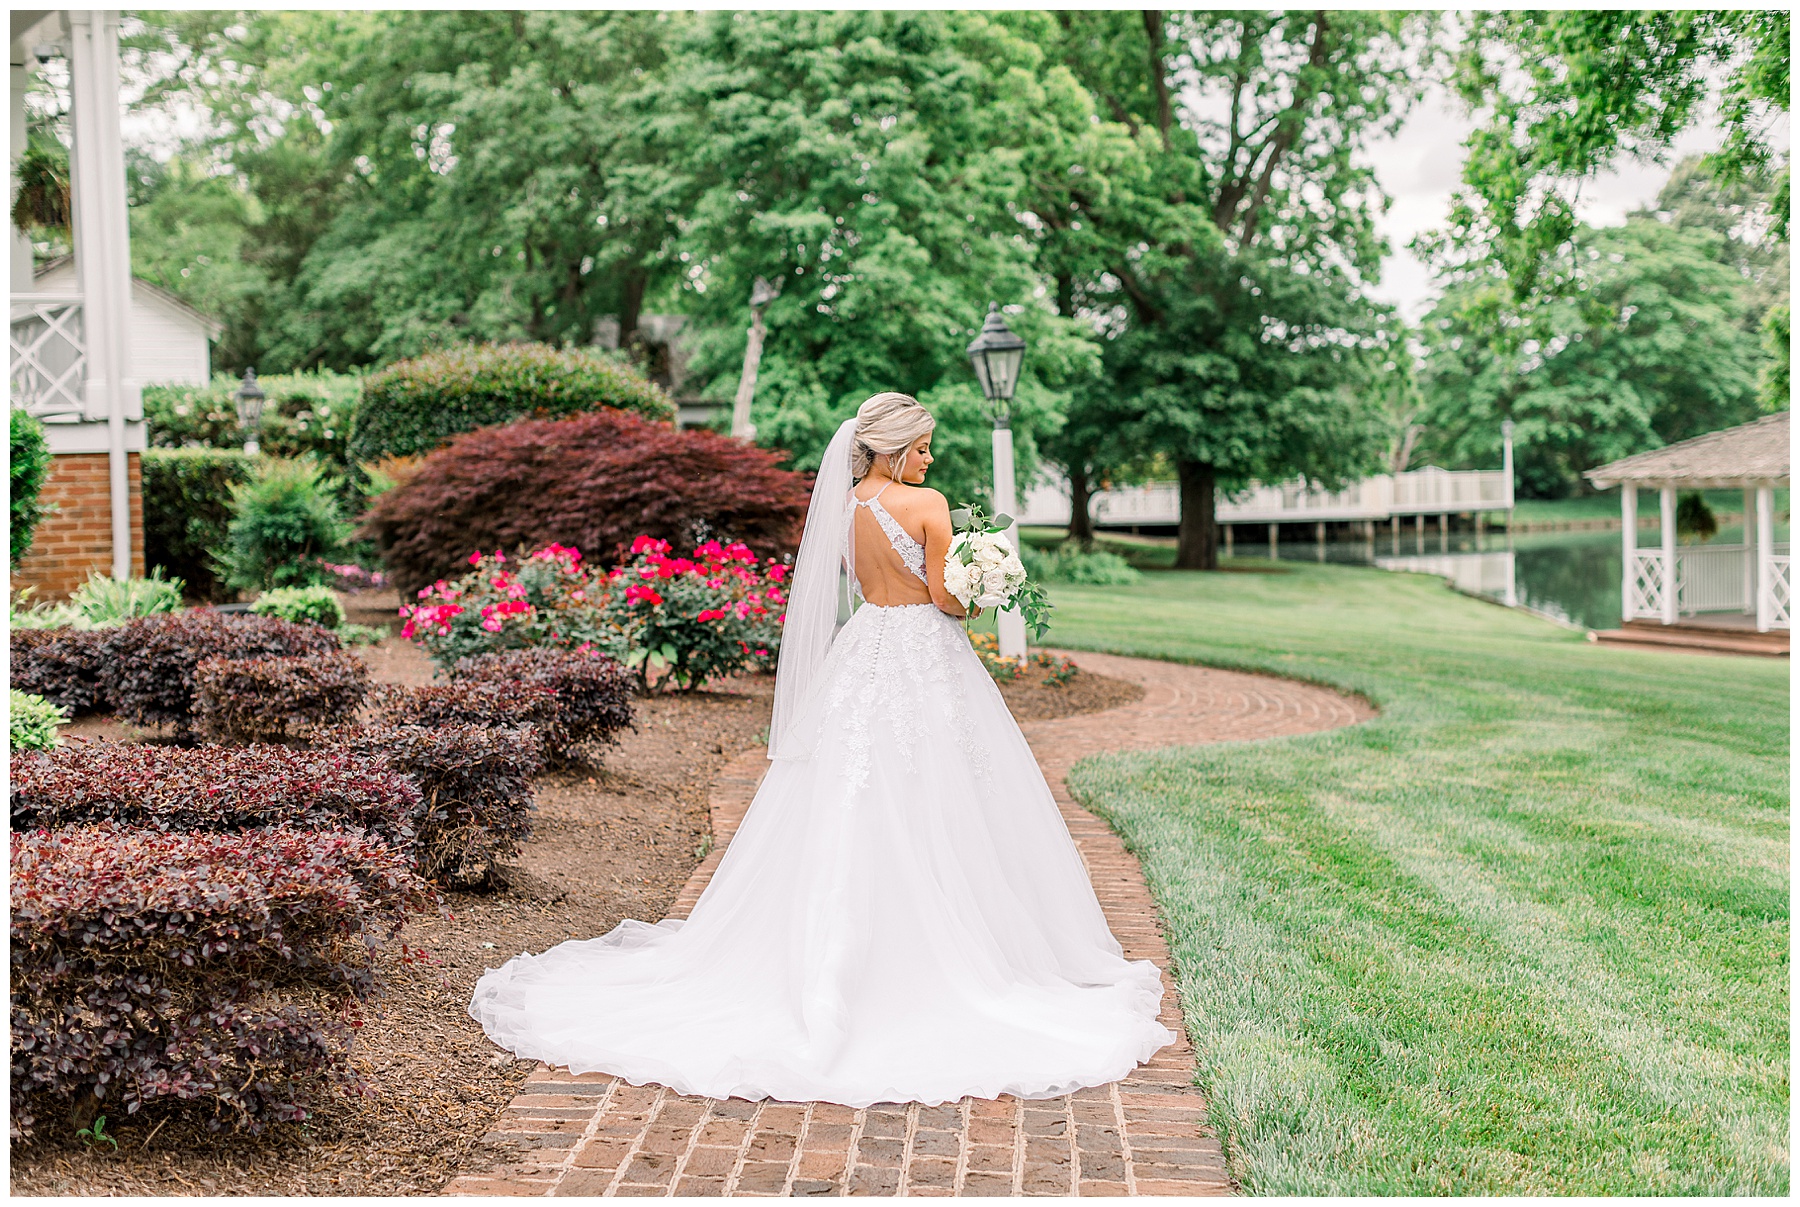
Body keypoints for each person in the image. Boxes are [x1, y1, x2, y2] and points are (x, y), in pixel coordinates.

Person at [468, 392, 1174, 1106]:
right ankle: (946, 952)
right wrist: (982, 585)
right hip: (924, 653)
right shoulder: (926, 504)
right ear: (896, 448)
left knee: (847, 790)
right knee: (943, 783)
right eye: (923, 447)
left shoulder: (843, 508)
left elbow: (865, 586)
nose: (931, 458)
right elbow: (946, 600)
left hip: (865, 649)